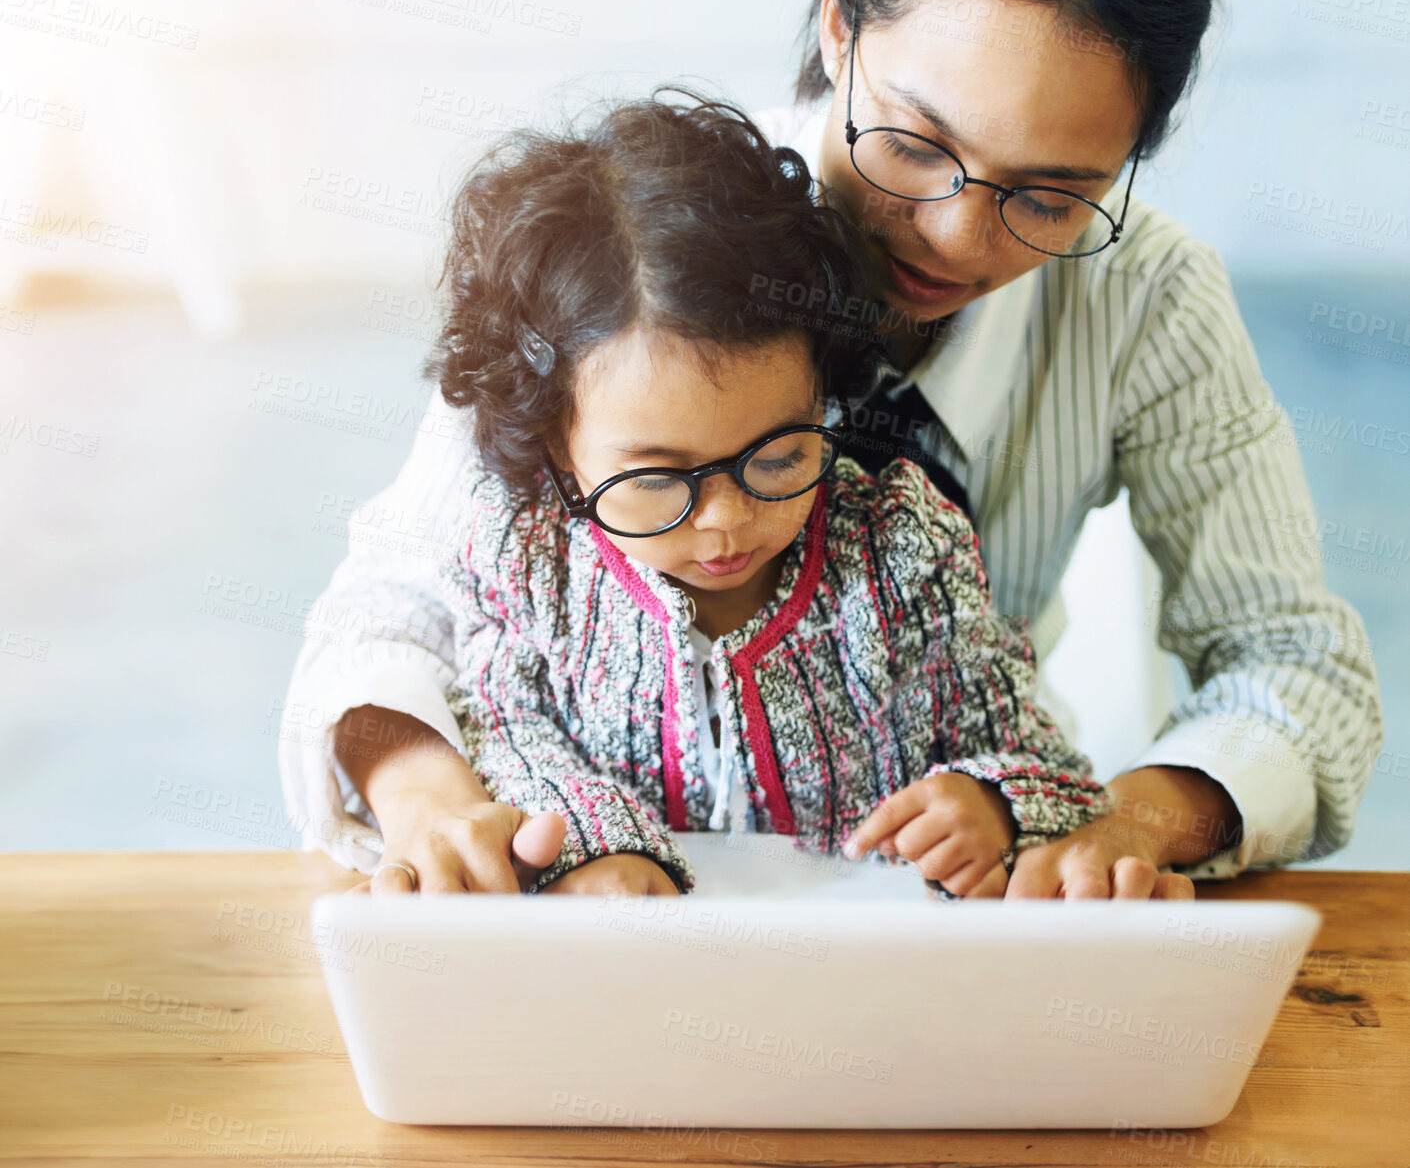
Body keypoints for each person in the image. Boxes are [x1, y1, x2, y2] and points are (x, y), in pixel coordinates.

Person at [279, 0, 1380, 900]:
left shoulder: (1148, 298)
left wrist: (1123, 821)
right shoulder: (636, 248)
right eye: (914, 140)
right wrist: (439, 806)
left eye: (1050, 196)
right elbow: (393, 605)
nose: (955, 238)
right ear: (840, 23)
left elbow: (1299, 668)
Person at [392, 93, 1109, 897]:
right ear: (559, 443)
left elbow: (1045, 761)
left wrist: (995, 804)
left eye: (777, 457)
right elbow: (507, 732)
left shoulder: (906, 552)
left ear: (822, 395)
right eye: (658, 478)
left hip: (870, 968)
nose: (727, 521)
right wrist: (593, 848)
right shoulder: (528, 559)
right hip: (630, 968)